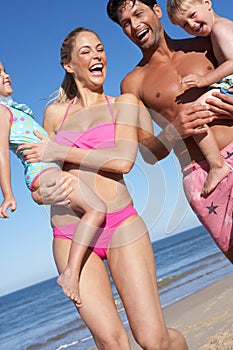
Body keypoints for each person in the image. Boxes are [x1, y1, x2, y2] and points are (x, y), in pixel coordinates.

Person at [18, 27, 188, 350]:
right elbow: (39, 179)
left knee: (153, 339)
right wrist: (41, 194)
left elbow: (123, 161)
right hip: (69, 234)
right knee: (112, 343)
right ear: (69, 65)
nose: (98, 56)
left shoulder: (123, 103)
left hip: (120, 223)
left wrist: (59, 152)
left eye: (100, 49)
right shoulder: (54, 115)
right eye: (86, 51)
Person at [106, 0, 233, 259]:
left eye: (138, 14)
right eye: (125, 24)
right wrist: (175, 129)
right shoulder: (133, 83)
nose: (134, 26)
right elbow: (149, 152)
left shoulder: (204, 44)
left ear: (156, 10)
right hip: (203, 177)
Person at [0, 61, 107, 307]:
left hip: (47, 169)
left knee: (89, 210)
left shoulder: (15, 110)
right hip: (41, 172)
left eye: (5, 70)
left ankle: (87, 263)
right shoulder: (1, 112)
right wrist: (8, 194)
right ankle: (70, 272)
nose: (7, 76)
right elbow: (2, 154)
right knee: (97, 208)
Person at [166, 0, 233, 195]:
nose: (192, 25)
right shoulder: (217, 32)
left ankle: (217, 165)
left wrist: (205, 79)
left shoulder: (221, 29)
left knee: (193, 115)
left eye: (192, 15)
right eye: (185, 24)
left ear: (207, 3)